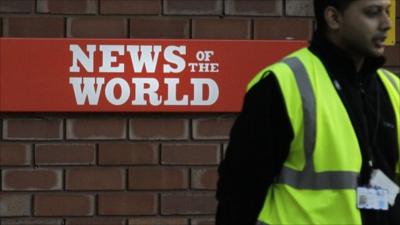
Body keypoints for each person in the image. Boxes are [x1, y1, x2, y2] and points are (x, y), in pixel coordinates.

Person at [215, 0, 400, 224]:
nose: (387, 24)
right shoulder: (283, 84)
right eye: (372, 13)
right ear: (333, 18)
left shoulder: (393, 90)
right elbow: (239, 195)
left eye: (388, 12)